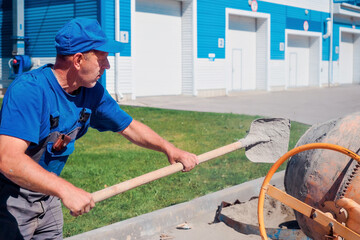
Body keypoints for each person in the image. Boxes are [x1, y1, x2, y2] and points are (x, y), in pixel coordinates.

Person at [0, 18, 198, 239]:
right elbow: (8, 160)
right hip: (10, 200)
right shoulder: (30, 91)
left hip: (48, 196)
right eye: (102, 59)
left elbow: (129, 127)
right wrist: (65, 189)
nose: (107, 66)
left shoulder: (92, 92)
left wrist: (169, 149)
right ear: (77, 60)